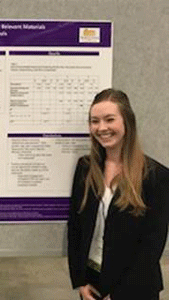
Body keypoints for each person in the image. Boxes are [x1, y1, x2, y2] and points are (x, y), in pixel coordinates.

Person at [67, 88, 169, 300]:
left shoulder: (156, 176)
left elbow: (152, 245)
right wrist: (80, 281)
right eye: (94, 121)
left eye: (109, 119)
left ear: (127, 122)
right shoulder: (85, 168)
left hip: (136, 287)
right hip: (93, 281)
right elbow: (75, 227)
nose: (101, 128)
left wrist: (117, 295)